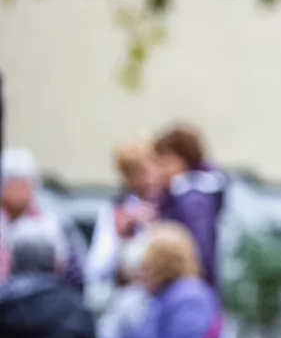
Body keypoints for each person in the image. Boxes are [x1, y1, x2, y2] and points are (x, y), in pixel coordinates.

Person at [85, 140, 163, 299]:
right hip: (129, 295)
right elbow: (96, 268)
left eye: (150, 166)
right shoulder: (116, 210)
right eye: (135, 172)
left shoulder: (170, 204)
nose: (146, 177)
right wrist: (118, 234)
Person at [153, 126, 229, 289]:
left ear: (182, 161)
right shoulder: (178, 196)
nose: (159, 171)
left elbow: (200, 253)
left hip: (189, 288)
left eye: (163, 163)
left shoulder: (191, 199)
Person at [1, 146, 85, 288]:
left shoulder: (50, 224)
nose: (20, 188)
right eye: (13, 181)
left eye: (25, 181)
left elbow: (73, 273)